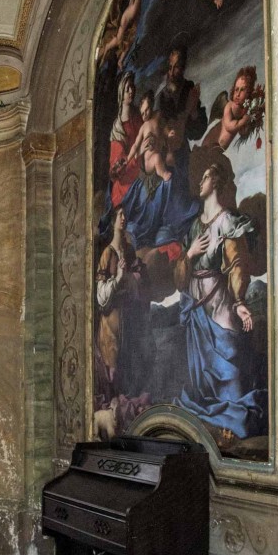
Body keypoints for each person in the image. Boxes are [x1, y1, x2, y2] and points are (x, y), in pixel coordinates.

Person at [173, 163, 267, 439]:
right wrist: (188, 255)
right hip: (196, 310)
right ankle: (217, 425)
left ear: (215, 181)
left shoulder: (226, 220)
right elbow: (179, 279)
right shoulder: (193, 227)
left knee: (230, 365)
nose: (199, 182)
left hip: (219, 305)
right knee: (203, 388)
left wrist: (239, 301)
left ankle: (234, 420)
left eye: (204, 177)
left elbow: (237, 263)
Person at [96, 206, 149, 401]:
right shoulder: (107, 254)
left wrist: (133, 277)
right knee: (113, 371)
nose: (124, 218)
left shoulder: (129, 250)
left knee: (131, 367)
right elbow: (101, 297)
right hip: (111, 323)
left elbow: (139, 283)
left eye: (125, 214)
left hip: (129, 319)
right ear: (113, 221)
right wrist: (118, 277)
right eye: (120, 215)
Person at [108, 71, 143, 209]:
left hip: (142, 167)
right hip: (127, 181)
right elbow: (118, 168)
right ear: (121, 92)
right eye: (127, 88)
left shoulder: (137, 116)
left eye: (132, 87)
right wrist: (137, 155)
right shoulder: (118, 129)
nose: (131, 91)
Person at [202, 66, 256, 150]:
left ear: (249, 92)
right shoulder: (229, 106)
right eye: (236, 89)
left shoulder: (246, 109)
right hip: (210, 145)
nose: (238, 94)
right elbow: (230, 126)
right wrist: (244, 120)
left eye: (242, 90)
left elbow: (242, 132)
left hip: (218, 150)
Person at [127, 89, 172, 181]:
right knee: (157, 157)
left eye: (146, 110)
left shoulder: (157, 116)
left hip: (160, 152)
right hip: (149, 161)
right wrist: (128, 158)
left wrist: (168, 133)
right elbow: (135, 145)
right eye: (142, 114)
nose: (145, 115)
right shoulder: (144, 127)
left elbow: (164, 126)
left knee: (165, 157)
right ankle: (163, 173)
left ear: (151, 105)